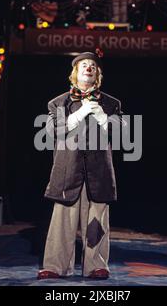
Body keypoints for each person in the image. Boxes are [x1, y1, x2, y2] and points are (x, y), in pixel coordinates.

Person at [37, 51, 126, 280]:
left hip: (99, 172)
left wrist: (102, 117)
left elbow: (121, 137)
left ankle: (96, 264)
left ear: (97, 75)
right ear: (75, 73)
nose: (89, 68)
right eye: (84, 65)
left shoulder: (111, 103)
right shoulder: (58, 103)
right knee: (62, 222)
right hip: (68, 171)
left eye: (93, 66)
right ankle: (56, 266)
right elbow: (53, 131)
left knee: (97, 220)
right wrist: (80, 114)